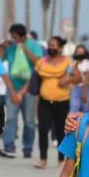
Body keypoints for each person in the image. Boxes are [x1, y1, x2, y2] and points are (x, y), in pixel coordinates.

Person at [0, 23, 44, 159]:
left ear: (23, 36)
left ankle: (27, 147)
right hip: (12, 88)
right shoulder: (10, 47)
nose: (13, 39)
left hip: (29, 88)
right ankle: (9, 146)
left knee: (29, 121)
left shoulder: (34, 45)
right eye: (11, 37)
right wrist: (2, 47)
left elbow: (38, 62)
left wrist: (24, 48)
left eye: (15, 37)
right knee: (11, 118)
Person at [35, 36, 72, 169]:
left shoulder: (68, 62)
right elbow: (37, 83)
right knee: (42, 129)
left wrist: (67, 79)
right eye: (49, 45)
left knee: (61, 130)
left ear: (60, 47)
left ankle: (61, 159)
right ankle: (43, 159)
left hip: (62, 101)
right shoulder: (41, 62)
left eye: (54, 45)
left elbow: (77, 77)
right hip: (44, 101)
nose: (51, 47)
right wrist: (36, 101)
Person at [68, 45, 89, 113]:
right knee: (73, 111)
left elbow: (88, 78)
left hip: (85, 89)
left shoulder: (88, 63)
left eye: (82, 52)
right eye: (78, 52)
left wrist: (84, 93)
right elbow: (69, 75)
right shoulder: (73, 63)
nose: (80, 54)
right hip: (75, 89)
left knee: (86, 111)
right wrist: (70, 85)